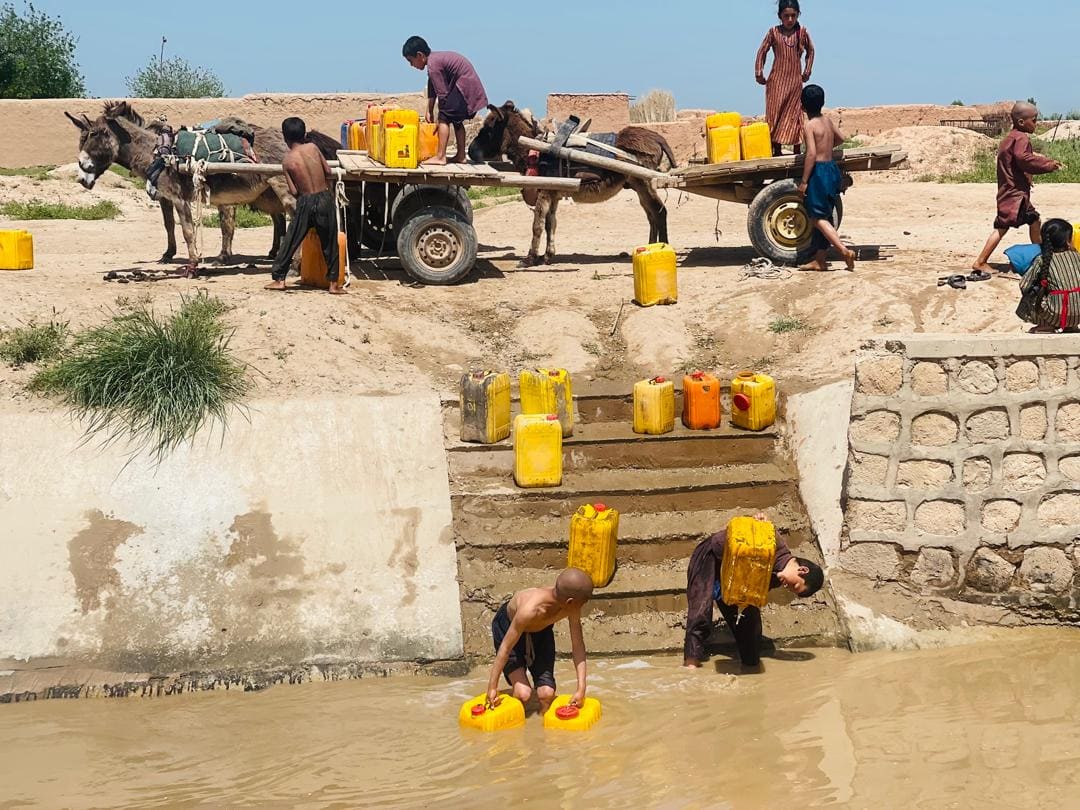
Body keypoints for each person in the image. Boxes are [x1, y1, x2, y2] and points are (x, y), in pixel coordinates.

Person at [683, 515, 825, 670]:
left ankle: (750, 664)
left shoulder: (777, 579)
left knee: (749, 622)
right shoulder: (773, 543)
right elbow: (747, 526)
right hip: (711, 557)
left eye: (793, 590)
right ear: (802, 570)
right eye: (795, 585)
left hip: (734, 579)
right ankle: (691, 663)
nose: (788, 588)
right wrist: (758, 524)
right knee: (701, 610)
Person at [486, 568, 593, 715]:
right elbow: (505, 648)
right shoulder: (529, 610)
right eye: (583, 603)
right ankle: (519, 716)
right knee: (524, 694)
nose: (583, 607)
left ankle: (543, 726)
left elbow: (578, 646)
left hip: (541, 632)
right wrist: (492, 687)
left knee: (547, 694)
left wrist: (581, 688)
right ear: (570, 602)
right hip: (509, 629)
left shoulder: (571, 606)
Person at [972, 101, 1061, 274]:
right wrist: (1048, 165)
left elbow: (1016, 163)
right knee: (1002, 227)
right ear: (1022, 122)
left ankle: (1040, 258)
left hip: (1013, 192)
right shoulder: (1021, 138)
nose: (1036, 124)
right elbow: (1025, 159)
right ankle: (980, 261)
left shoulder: (1009, 138)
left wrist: (1027, 174)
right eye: (1034, 120)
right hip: (1014, 195)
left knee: (1034, 220)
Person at [264, 117, 345, 295]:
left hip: (305, 201)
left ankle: (279, 279)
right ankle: (333, 284)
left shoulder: (287, 161)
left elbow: (293, 190)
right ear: (305, 134)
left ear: (285, 138)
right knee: (330, 242)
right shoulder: (314, 148)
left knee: (291, 240)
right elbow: (328, 171)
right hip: (324, 197)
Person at [402, 36, 489, 166]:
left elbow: (442, 94)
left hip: (465, 87)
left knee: (445, 117)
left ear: (420, 55)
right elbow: (432, 87)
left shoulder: (433, 65)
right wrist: (429, 110)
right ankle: (461, 156)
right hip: (467, 87)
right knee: (456, 120)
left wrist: (440, 117)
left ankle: (440, 156)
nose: (411, 65)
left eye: (411, 61)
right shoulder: (433, 62)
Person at [797, 84, 856, 271]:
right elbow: (841, 138)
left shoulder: (810, 125)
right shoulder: (827, 121)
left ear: (802, 106)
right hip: (832, 170)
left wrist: (804, 181)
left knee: (816, 219)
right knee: (825, 217)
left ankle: (844, 250)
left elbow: (811, 155)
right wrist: (828, 146)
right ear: (823, 103)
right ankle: (820, 261)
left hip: (819, 173)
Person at [755, 0, 815, 157]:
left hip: (795, 81)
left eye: (793, 16)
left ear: (798, 15)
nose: (789, 20)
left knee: (795, 114)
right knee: (775, 113)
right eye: (786, 16)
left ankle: (797, 150)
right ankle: (777, 150)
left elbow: (811, 51)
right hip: (776, 81)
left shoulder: (802, 32)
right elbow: (762, 51)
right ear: (780, 16)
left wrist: (807, 71)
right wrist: (759, 72)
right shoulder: (773, 32)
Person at [1017, 219, 1080, 332]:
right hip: (1078, 315)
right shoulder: (1077, 256)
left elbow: (1024, 285)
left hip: (1054, 314)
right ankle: (1070, 326)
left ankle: (1045, 325)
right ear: (1068, 241)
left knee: (1034, 291)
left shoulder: (1042, 260)